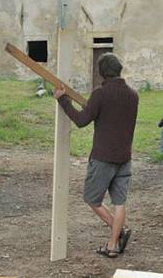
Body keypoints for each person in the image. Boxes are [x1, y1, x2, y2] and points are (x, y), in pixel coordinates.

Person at [54, 53, 139, 258]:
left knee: (92, 199)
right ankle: (112, 244)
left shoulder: (100, 94)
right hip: (124, 157)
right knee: (119, 202)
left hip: (103, 157)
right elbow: (113, 115)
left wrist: (63, 100)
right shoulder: (133, 95)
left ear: (101, 72)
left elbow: (82, 121)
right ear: (119, 70)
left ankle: (120, 231)